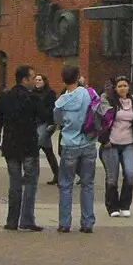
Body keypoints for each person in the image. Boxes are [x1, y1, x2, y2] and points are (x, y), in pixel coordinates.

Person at [0, 64, 43, 232]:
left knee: (14, 183)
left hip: (11, 146)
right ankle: (27, 219)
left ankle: (12, 220)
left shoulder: (5, 96)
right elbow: (42, 116)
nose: (35, 80)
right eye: (32, 77)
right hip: (29, 145)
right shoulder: (32, 98)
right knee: (30, 182)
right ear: (24, 79)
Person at [52, 66, 96, 233]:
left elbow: (58, 120)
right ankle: (87, 222)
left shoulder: (61, 101)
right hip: (88, 142)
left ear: (63, 80)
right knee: (87, 184)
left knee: (65, 184)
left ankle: (64, 223)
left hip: (69, 144)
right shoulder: (88, 94)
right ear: (78, 77)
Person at [100, 76, 133, 218]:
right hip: (111, 144)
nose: (122, 88)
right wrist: (104, 139)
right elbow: (102, 121)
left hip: (129, 143)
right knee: (112, 177)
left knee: (130, 174)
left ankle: (125, 205)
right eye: (119, 86)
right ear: (115, 88)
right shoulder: (109, 101)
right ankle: (112, 206)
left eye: (125, 85)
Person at [32, 73, 59, 183]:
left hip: (46, 124)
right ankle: (58, 174)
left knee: (34, 148)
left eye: (40, 80)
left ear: (44, 81)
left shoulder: (50, 93)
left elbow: (53, 109)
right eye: (36, 80)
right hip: (35, 124)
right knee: (48, 151)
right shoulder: (32, 93)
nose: (37, 81)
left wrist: (52, 123)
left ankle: (31, 175)